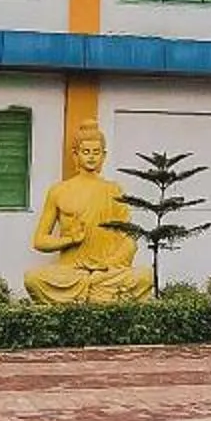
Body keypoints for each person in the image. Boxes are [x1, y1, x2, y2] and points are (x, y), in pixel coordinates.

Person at [24, 122, 152, 304]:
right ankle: (95, 294)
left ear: (103, 155)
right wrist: (69, 240)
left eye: (96, 152)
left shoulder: (114, 190)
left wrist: (108, 265)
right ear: (75, 155)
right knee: (33, 278)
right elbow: (40, 241)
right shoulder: (59, 191)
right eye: (86, 152)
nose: (91, 157)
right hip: (72, 272)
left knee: (145, 277)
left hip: (106, 272)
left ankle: (88, 292)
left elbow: (129, 239)